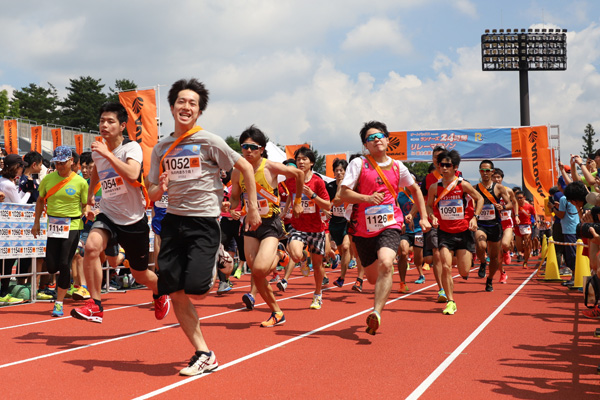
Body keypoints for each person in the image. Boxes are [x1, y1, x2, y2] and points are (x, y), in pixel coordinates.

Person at [147, 78, 261, 376]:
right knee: (174, 289)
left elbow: (246, 167)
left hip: (204, 221)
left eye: (193, 104)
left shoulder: (209, 141)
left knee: (198, 288)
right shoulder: (160, 148)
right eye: (181, 102)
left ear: (198, 112)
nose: (186, 107)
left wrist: (252, 207)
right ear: (172, 107)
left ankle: (220, 256)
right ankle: (204, 352)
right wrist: (160, 189)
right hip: (172, 220)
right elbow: (150, 190)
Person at [71, 102, 170, 323]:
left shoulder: (131, 148)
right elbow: (97, 169)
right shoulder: (99, 151)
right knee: (91, 247)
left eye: (110, 121)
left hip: (133, 219)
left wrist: (108, 154)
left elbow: (133, 174)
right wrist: (89, 197)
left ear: (122, 125)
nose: (104, 125)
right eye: (102, 121)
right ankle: (95, 304)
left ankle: (160, 292)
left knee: (139, 274)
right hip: (107, 213)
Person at [341, 121, 430, 334]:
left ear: (388, 140)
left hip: (390, 224)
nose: (377, 140)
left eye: (380, 135)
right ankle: (377, 296)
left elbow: (415, 190)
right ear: (366, 145)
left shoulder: (399, 166)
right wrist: (367, 198)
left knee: (387, 263)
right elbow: (343, 194)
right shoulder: (359, 164)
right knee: (373, 277)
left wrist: (424, 216)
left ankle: (376, 312)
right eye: (371, 138)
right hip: (362, 229)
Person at [230, 125, 303, 327]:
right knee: (255, 271)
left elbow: (298, 174)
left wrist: (297, 203)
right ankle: (277, 312)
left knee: (261, 268)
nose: (249, 151)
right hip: (251, 224)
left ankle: (280, 254)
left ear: (261, 149)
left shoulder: (270, 167)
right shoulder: (237, 171)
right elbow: (235, 198)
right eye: (245, 147)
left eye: (253, 147)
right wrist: (230, 205)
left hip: (270, 223)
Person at [32, 146, 88, 317]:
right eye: (57, 163)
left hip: (72, 225)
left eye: (63, 162)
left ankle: (59, 303)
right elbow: (40, 200)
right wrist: (37, 223)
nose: (60, 166)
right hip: (54, 226)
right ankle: (62, 286)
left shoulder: (80, 182)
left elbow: (85, 204)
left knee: (64, 263)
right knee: (51, 265)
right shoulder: (48, 180)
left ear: (71, 161)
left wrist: (86, 212)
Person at [427, 149, 483, 315]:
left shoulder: (462, 185)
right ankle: (451, 301)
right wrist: (432, 217)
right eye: (440, 165)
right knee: (445, 266)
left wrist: (475, 218)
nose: (443, 168)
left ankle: (467, 261)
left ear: (455, 167)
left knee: (464, 271)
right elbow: (429, 205)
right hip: (444, 232)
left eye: (447, 165)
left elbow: (479, 198)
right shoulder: (433, 187)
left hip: (463, 231)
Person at [285, 146, 331, 310]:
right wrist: (286, 211)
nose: (301, 162)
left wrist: (312, 194)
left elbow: (327, 204)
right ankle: (303, 259)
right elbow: (289, 198)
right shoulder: (290, 181)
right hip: (298, 226)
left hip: (316, 228)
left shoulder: (318, 181)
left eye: (304, 159)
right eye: (298, 159)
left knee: (318, 265)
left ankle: (318, 295)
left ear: (311, 162)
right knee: (295, 254)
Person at [474, 160, 512, 292]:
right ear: (479, 171)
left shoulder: (499, 188)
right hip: (481, 224)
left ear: (492, 172)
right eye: (482, 170)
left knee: (495, 257)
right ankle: (483, 263)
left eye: (487, 170)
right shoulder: (475, 188)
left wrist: (503, 206)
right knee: (481, 245)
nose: (485, 173)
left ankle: (490, 279)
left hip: (495, 225)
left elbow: (510, 204)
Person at [0, 154, 29, 306]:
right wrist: (29, 193)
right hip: (9, 226)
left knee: (5, 260)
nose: (22, 169)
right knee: (8, 260)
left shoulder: (2, 180)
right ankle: (3, 293)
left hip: (5, 225)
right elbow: (20, 205)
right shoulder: (9, 184)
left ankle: (3, 291)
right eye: (20, 166)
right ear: (14, 168)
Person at [327, 158, 352, 288]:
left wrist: (341, 185)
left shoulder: (350, 186)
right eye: (336, 170)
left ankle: (342, 278)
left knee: (347, 247)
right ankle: (341, 260)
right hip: (334, 222)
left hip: (347, 221)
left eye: (341, 170)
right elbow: (331, 202)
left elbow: (338, 199)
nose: (339, 173)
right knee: (341, 250)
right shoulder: (330, 186)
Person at [492, 168, 519, 282]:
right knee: (497, 255)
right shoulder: (489, 191)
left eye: (499, 177)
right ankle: (502, 273)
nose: (497, 179)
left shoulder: (508, 191)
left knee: (504, 243)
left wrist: (516, 215)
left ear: (502, 179)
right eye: (494, 177)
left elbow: (514, 202)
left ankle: (506, 250)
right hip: (494, 223)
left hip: (507, 221)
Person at [555, 181, 583, 286]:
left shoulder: (563, 199)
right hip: (576, 227)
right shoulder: (574, 199)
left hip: (568, 229)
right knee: (575, 254)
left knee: (572, 255)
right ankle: (575, 276)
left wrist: (553, 209)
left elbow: (561, 215)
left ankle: (575, 277)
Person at [513, 191, 536, 268]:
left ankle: (525, 262)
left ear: (524, 198)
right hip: (517, 227)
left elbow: (534, 214)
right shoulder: (514, 207)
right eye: (517, 198)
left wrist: (536, 221)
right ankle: (522, 250)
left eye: (521, 198)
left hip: (527, 226)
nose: (519, 199)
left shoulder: (529, 206)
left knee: (527, 244)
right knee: (519, 247)